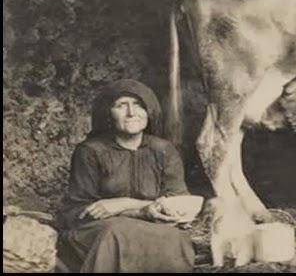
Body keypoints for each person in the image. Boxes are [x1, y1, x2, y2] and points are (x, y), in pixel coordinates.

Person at [56, 79, 196, 272]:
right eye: (121, 105)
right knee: (115, 232)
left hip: (154, 226)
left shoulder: (164, 150)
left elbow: (178, 201)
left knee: (176, 238)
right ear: (108, 113)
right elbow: (81, 210)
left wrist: (123, 204)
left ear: (149, 111)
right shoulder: (90, 151)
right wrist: (142, 209)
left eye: (138, 105)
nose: (131, 113)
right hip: (99, 230)